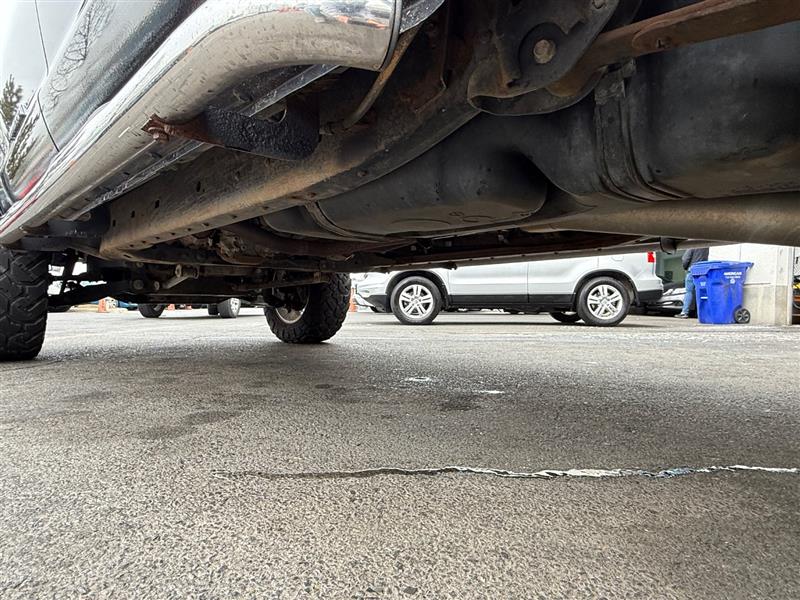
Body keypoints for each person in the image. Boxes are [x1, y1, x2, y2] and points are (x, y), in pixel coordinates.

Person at [675, 247, 709, 318]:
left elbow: (685, 258)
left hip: (692, 270)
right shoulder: (706, 246)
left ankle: (684, 312)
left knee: (689, 292)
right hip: (703, 270)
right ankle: (702, 313)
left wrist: (685, 267)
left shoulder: (693, 244)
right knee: (701, 292)